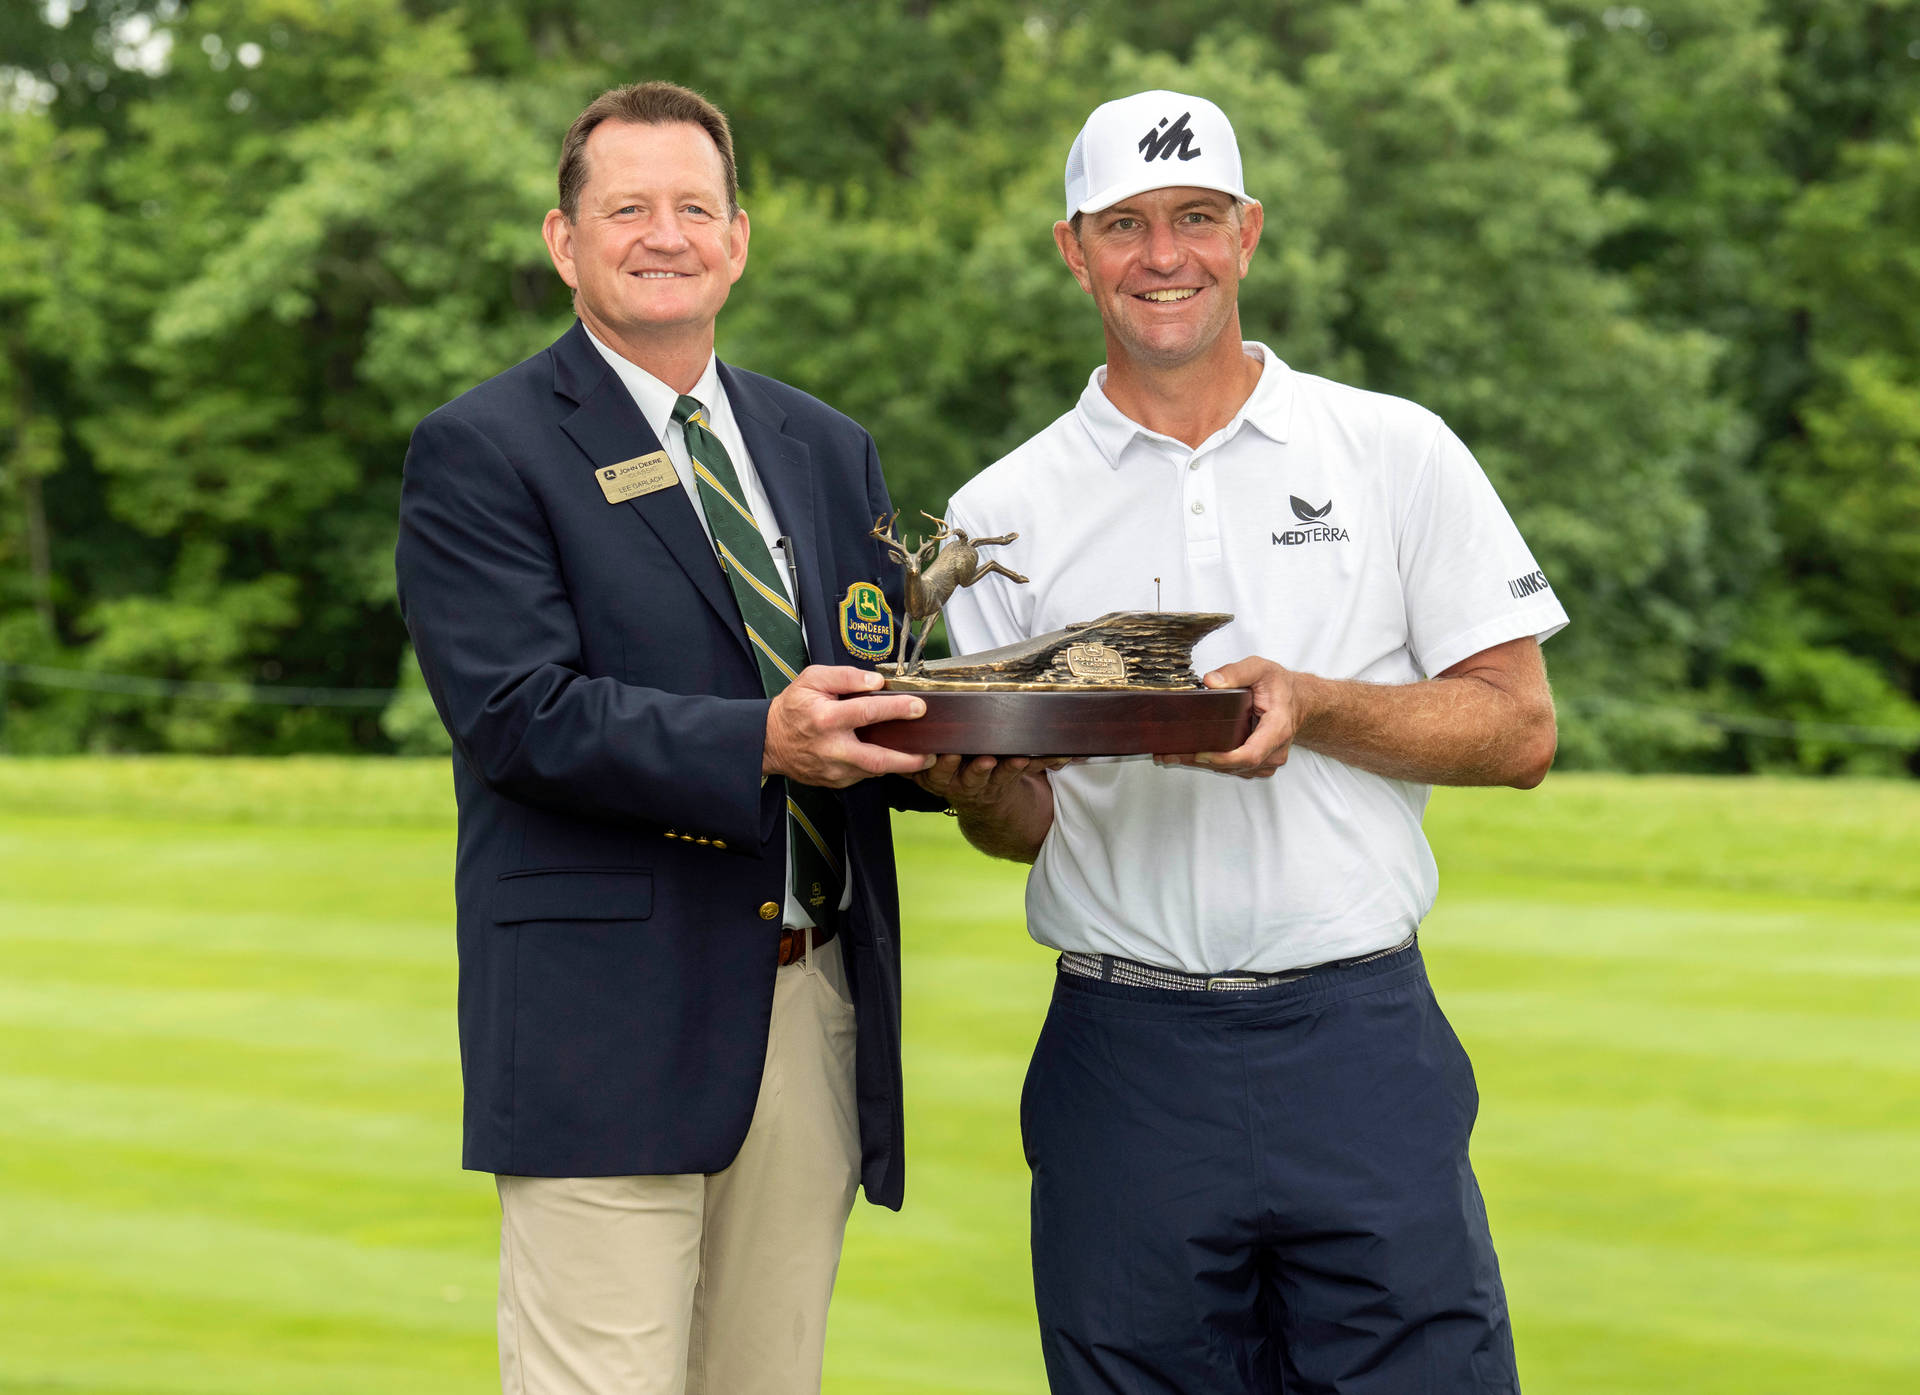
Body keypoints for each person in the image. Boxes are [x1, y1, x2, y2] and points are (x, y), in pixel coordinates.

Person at [928, 90, 1570, 1394]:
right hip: (1126, 1055)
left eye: (1197, 218)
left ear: (1250, 232)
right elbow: (1025, 823)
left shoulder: (1395, 450)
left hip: (1358, 1038)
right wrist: (972, 789)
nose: (1165, 256)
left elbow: (1518, 729)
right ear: (1073, 248)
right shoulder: (1001, 510)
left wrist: (1318, 705)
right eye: (1127, 225)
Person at [394, 81, 941, 1395]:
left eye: (695, 207)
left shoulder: (826, 447)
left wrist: (977, 741)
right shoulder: (484, 449)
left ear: (739, 240)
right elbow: (518, 716)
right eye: (626, 207)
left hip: (812, 1008)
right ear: (562, 239)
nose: (664, 234)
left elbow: (872, 683)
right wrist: (765, 741)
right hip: (604, 1024)